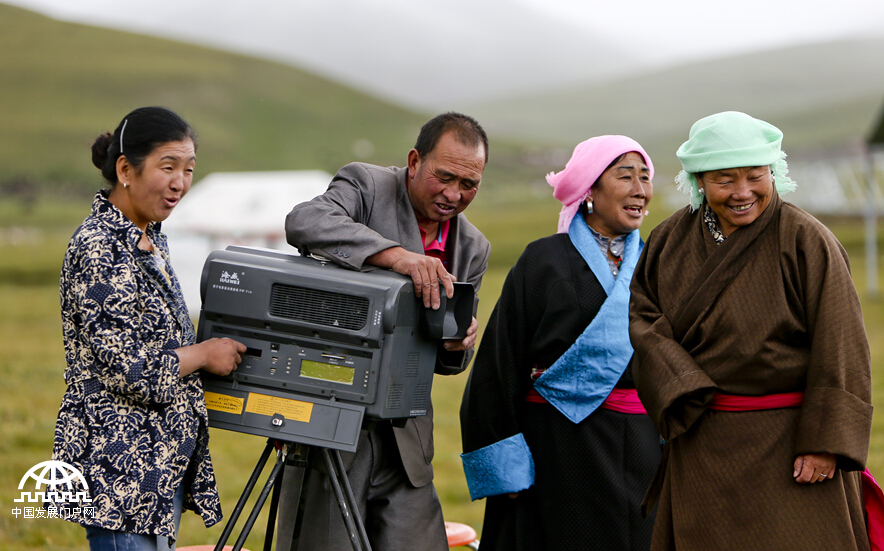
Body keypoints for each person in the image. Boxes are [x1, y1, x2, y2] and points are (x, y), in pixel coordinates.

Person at [629, 111, 874, 550]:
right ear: (699, 180)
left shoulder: (807, 240)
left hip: (790, 447)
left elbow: (841, 346)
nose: (743, 192)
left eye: (755, 176)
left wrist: (825, 443)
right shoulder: (668, 241)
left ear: (774, 172)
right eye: (725, 180)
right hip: (703, 439)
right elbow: (644, 323)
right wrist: (682, 384)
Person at [277, 112, 491, 551]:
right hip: (329, 427)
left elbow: (451, 362)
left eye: (468, 184)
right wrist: (395, 256)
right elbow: (305, 221)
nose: (454, 194)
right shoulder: (368, 186)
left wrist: (456, 345)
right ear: (414, 161)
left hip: (406, 439)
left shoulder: (473, 248)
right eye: (444, 176)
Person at [52, 106, 247, 551]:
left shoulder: (148, 235)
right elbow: (131, 369)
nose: (180, 182)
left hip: (158, 465)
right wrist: (204, 354)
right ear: (125, 168)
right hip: (119, 466)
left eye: (189, 169)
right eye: (168, 166)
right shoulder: (99, 247)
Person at [460, 136, 660, 551]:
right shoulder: (543, 260)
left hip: (644, 449)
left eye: (645, 177)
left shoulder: (660, 263)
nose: (640, 189)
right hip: (557, 451)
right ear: (590, 188)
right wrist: (504, 464)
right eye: (625, 176)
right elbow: (500, 363)